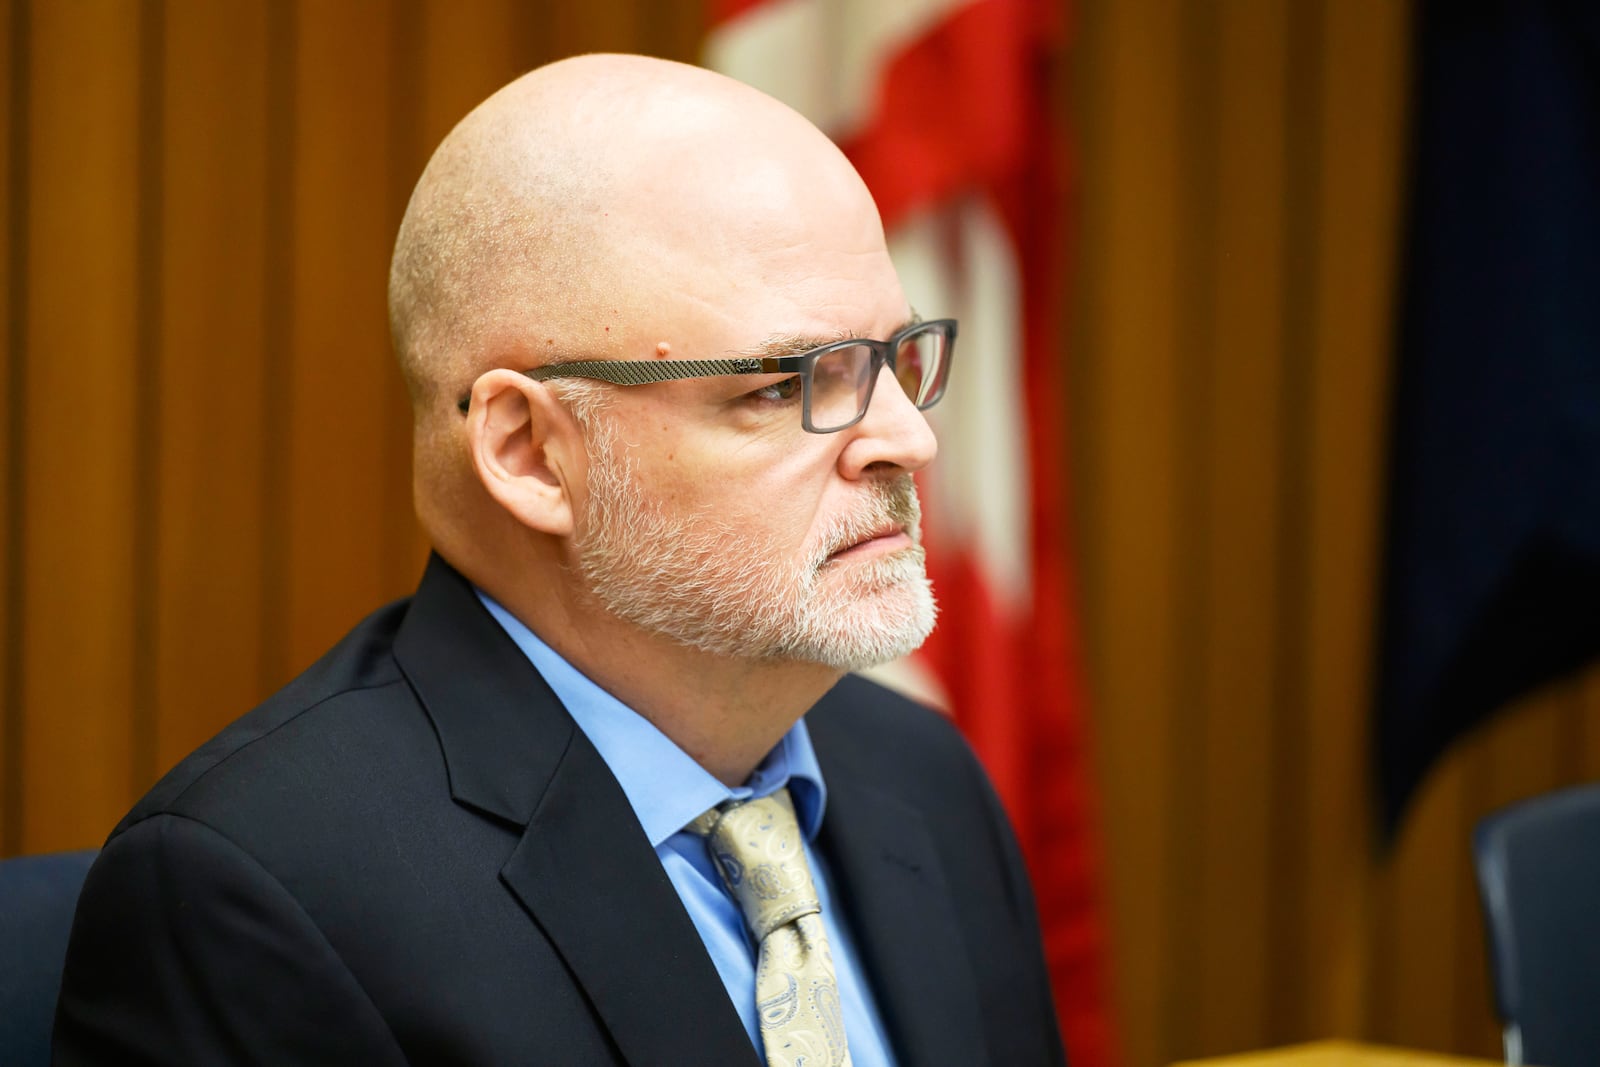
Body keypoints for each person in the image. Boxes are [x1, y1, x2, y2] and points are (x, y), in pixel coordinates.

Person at [53, 54, 1066, 1067]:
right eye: (787, 383)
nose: (908, 439)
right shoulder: (261, 887)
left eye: (894, 358)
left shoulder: (921, 778)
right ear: (530, 452)